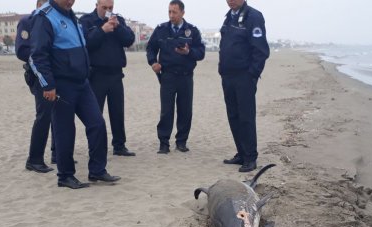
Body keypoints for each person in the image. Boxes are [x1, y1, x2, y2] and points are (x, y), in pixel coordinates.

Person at [30, 0, 120, 189]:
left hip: (82, 82)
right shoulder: (44, 18)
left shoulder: (72, 16)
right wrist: (47, 85)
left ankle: (97, 170)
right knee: (65, 131)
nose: (70, 1)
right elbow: (37, 55)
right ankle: (65, 176)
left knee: (97, 124)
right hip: (61, 85)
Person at [146, 0, 205, 154]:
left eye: (175, 12)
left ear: (182, 13)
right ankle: (164, 143)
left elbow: (201, 53)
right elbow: (151, 48)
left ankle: (181, 142)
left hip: (186, 77)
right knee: (166, 111)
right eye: (169, 12)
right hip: (167, 76)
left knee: (185, 110)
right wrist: (153, 63)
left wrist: (188, 52)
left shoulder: (192, 31)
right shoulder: (161, 29)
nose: (171, 15)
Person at [80, 0, 136, 157]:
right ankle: (96, 147)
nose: (107, 11)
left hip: (116, 74)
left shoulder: (119, 19)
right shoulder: (86, 20)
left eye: (110, 7)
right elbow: (85, 43)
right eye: (104, 7)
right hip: (96, 75)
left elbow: (129, 40)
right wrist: (101, 30)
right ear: (97, 4)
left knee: (117, 112)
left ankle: (119, 145)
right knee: (95, 115)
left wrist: (117, 27)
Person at [218, 0, 270, 172]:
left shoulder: (253, 16)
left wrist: (252, 75)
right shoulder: (229, 17)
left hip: (244, 77)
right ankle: (241, 153)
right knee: (233, 116)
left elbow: (261, 50)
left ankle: (250, 157)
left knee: (246, 117)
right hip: (228, 76)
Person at [16, 0, 56, 174]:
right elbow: (22, 51)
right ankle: (34, 159)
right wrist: (43, 61)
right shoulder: (28, 22)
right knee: (44, 116)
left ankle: (57, 152)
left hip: (58, 74)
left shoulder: (54, 21)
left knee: (59, 114)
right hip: (39, 75)